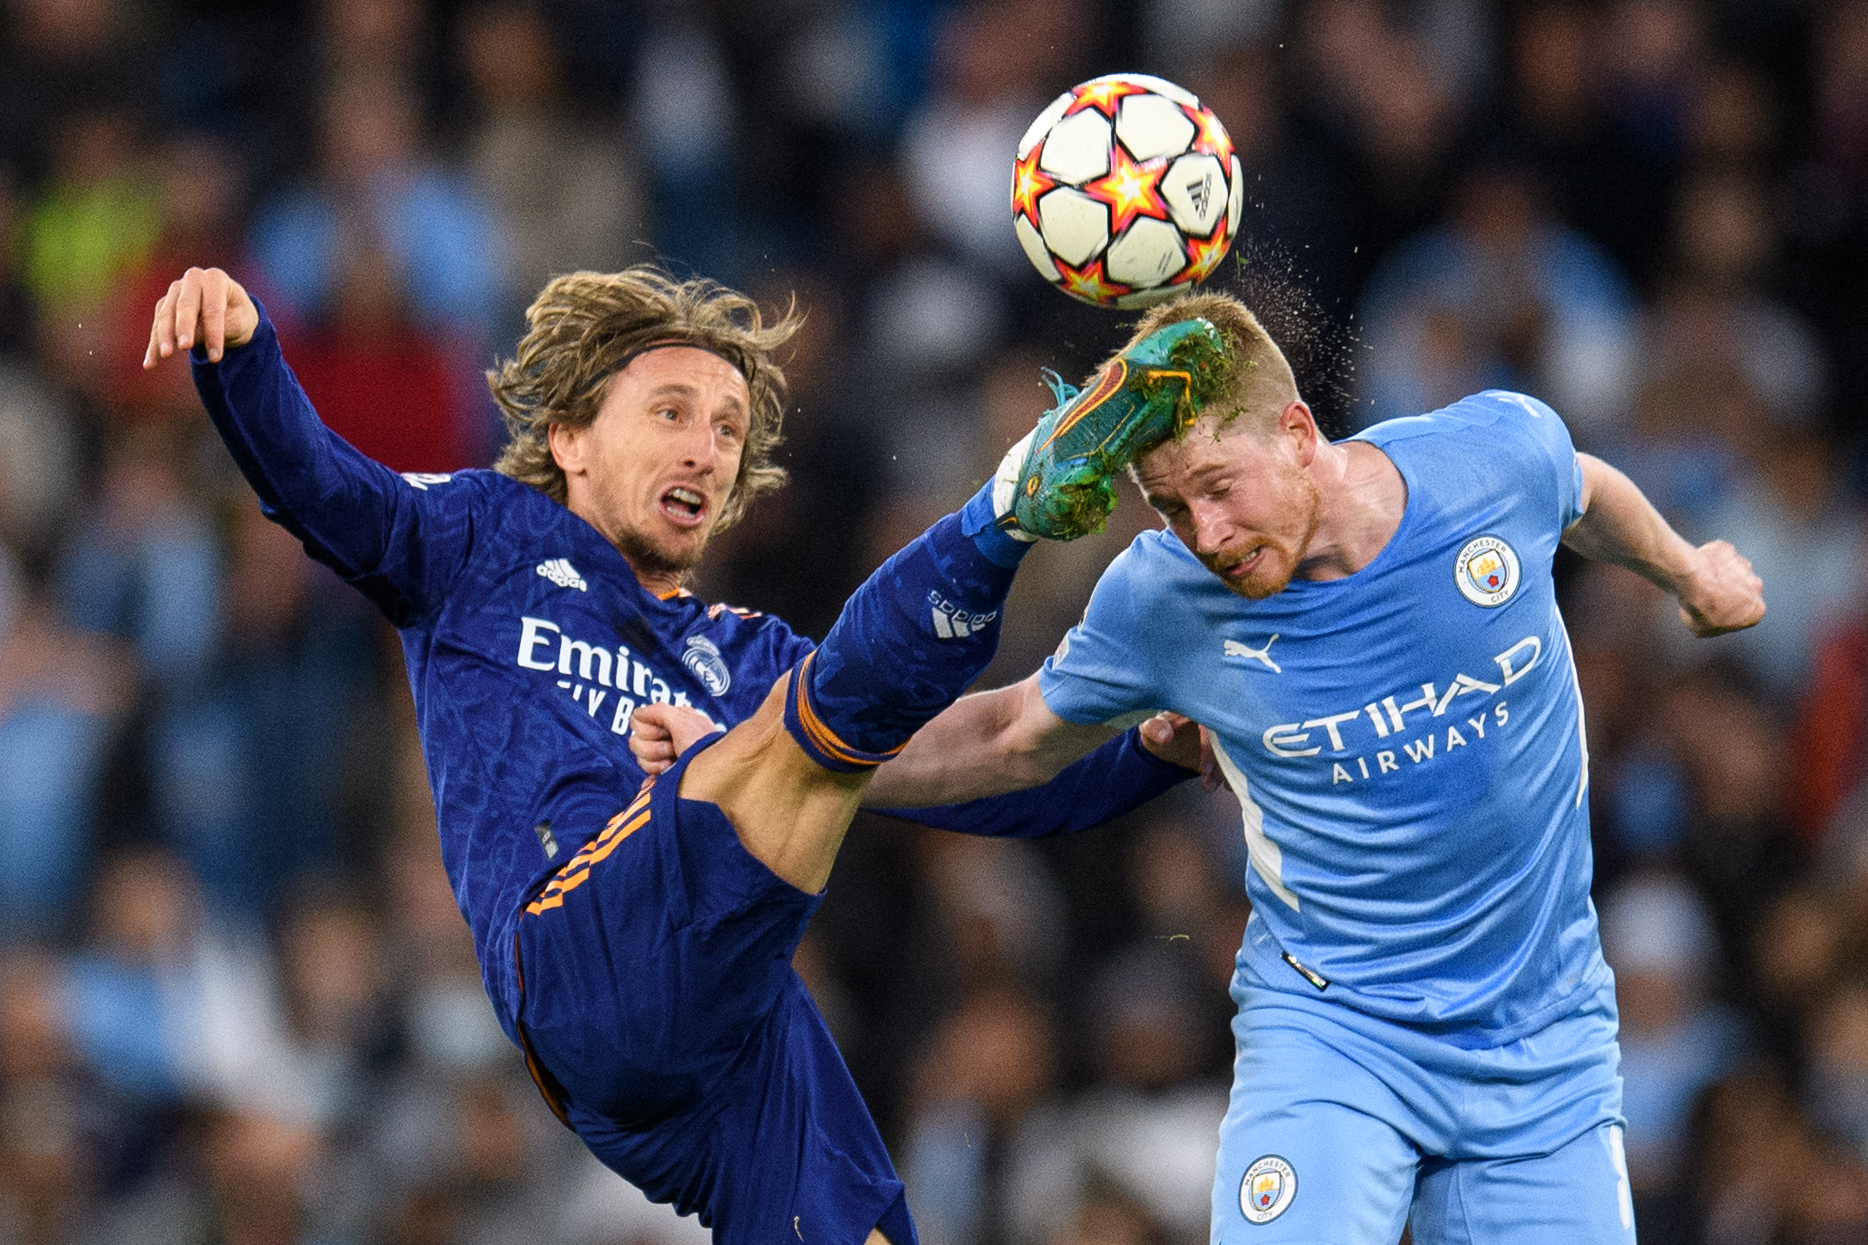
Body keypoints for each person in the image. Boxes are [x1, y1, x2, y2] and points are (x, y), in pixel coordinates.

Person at [142, 264, 1228, 1245]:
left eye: (726, 428)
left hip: (715, 1051)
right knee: (807, 731)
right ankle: (1006, 510)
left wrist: (1150, 754)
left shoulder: (737, 654)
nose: (706, 449)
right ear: (569, 439)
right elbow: (320, 484)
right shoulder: (479, 541)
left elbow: (981, 747)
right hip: (577, 958)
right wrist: (243, 358)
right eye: (670, 412)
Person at [825, 289, 1765, 1243]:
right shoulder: (1166, 598)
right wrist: (801, 758)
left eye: (1220, 486)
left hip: (1542, 1046)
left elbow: (1584, 489)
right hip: (1336, 1039)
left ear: (1299, 432)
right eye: (1172, 506)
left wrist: (1688, 573)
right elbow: (1007, 734)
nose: (1209, 534)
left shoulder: (1490, 457)